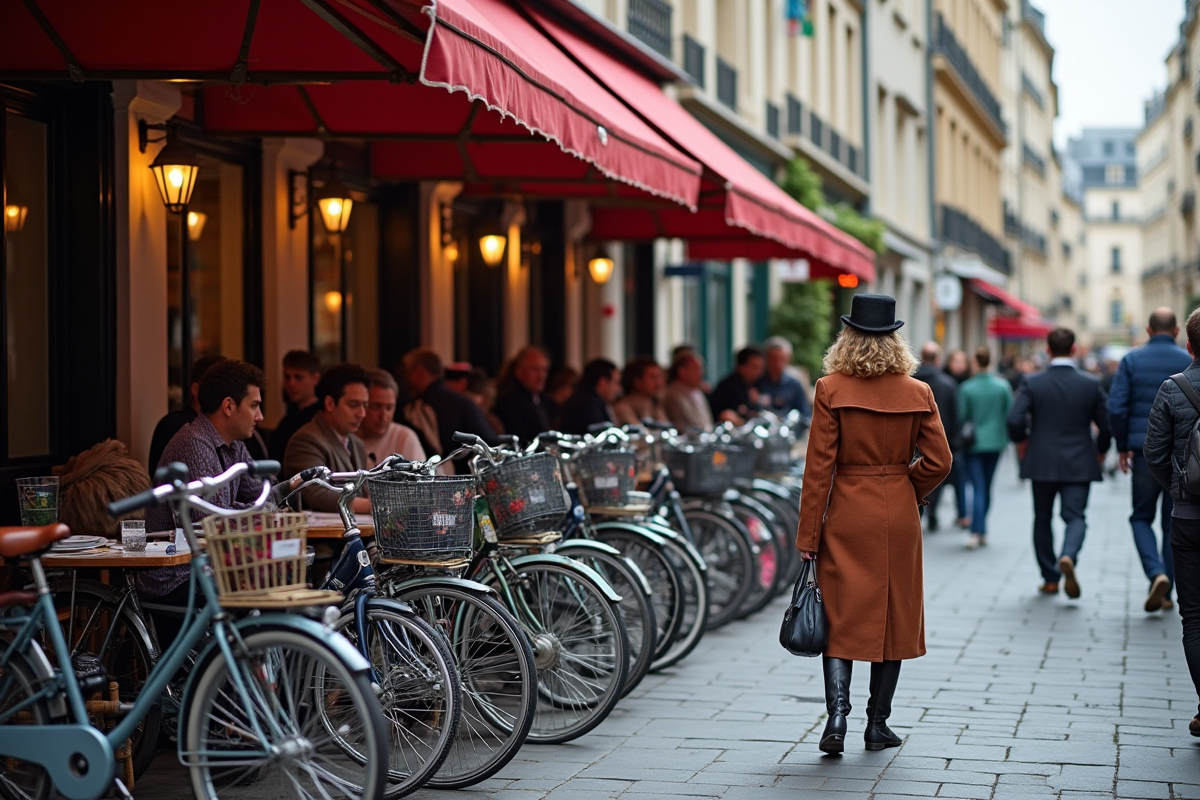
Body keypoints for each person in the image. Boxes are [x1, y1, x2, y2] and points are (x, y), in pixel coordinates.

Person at [796, 294, 951, 755]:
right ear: (896, 340)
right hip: (898, 512)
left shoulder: (830, 389)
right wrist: (910, 487)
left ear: (848, 337)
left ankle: (837, 718)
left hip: (846, 510)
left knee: (841, 615)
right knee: (894, 616)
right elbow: (940, 461)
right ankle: (877, 724)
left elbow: (818, 469)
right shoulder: (917, 391)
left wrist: (808, 535)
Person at [140, 360, 272, 643]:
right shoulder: (194, 443)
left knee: (275, 591)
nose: (260, 416)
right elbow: (209, 525)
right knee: (257, 605)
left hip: (208, 567)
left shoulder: (234, 444)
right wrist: (255, 512)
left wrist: (294, 486)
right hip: (176, 574)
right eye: (254, 406)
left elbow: (261, 494)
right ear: (228, 406)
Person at [1006, 328, 1111, 598]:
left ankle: (1050, 577)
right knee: (1075, 517)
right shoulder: (1090, 383)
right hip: (1079, 460)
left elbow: (1014, 420)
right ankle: (1068, 555)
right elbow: (1106, 424)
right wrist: (1101, 450)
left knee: (1042, 518)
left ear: (1048, 350)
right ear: (1074, 350)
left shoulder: (1033, 382)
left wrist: (1023, 440)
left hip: (1041, 460)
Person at [1109, 309, 1191, 612]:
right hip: (1184, 456)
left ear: (1147, 328)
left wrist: (1122, 445)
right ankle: (1167, 588)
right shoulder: (1188, 360)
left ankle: (1155, 572)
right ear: (1175, 331)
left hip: (1144, 452)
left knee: (1141, 516)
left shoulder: (1132, 360)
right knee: (1173, 521)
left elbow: (1117, 407)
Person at [1144, 307, 1200, 737]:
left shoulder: (1173, 389)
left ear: (1189, 345)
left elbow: (1154, 455)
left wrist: (1180, 488)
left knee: (1195, 617)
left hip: (1189, 516)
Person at [283, 363, 373, 513]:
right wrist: (371, 506)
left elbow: (365, 489)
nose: (362, 413)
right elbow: (316, 494)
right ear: (330, 404)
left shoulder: (357, 443)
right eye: (353, 405)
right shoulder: (305, 440)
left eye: (365, 405)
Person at [401, 347, 498, 472]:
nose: (406, 379)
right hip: (469, 480)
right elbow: (489, 444)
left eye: (408, 372)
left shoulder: (417, 408)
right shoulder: (463, 403)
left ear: (419, 371)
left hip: (437, 479)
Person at [957, 347, 1013, 549]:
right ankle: (982, 529)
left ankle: (976, 530)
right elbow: (1009, 413)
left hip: (974, 443)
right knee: (987, 486)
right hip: (996, 441)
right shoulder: (1002, 386)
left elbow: (962, 416)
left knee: (977, 486)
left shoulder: (967, 388)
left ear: (975, 362)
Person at [147, 353, 229, 472]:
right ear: (196, 390)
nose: (227, 396)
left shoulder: (229, 433)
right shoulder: (177, 427)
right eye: (219, 388)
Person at [913, 342, 960, 531]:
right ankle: (932, 510)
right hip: (941, 435)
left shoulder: (910, 382)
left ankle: (918, 505)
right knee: (936, 471)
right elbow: (954, 413)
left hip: (912, 437)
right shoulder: (947, 383)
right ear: (938, 359)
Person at [358, 369, 426, 468]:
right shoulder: (348, 438)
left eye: (389, 408)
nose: (383, 416)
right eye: (376, 407)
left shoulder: (405, 437)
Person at [269, 350, 322, 461]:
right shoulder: (289, 417)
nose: (291, 383)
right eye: (287, 377)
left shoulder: (319, 417)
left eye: (299, 377)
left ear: (315, 378)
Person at [493, 346, 552, 445]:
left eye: (544, 370)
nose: (541, 376)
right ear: (519, 371)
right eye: (535, 369)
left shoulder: (540, 399)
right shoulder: (510, 402)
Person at [755, 336, 812, 422]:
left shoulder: (794, 384)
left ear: (789, 359)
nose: (778, 364)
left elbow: (805, 414)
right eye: (773, 359)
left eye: (782, 359)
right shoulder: (755, 381)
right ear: (765, 359)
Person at [557, 359, 620, 434]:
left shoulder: (585, 399)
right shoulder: (588, 405)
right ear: (603, 382)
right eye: (616, 383)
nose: (618, 388)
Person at [708, 346, 765, 424]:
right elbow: (725, 416)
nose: (759, 372)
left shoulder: (755, 384)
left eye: (761, 367)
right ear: (741, 366)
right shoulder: (728, 388)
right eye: (754, 367)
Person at [663, 351, 714, 431]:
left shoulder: (697, 391)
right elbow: (682, 428)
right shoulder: (674, 394)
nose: (702, 373)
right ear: (682, 372)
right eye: (696, 369)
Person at [613, 356, 669, 426]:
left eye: (659, 377)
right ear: (637, 381)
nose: (659, 383)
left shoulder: (654, 404)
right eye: (653, 378)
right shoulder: (622, 407)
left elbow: (665, 426)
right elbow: (640, 432)